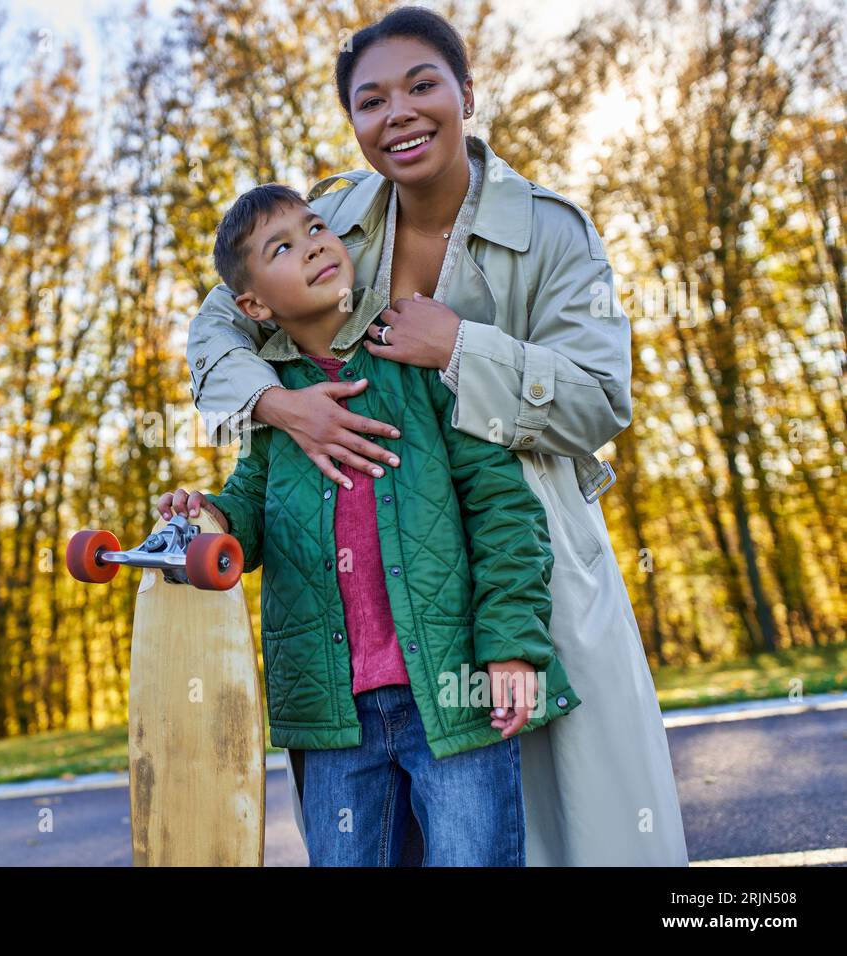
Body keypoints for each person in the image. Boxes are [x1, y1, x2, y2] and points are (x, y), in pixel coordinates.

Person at [184, 6, 690, 865]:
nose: (400, 114)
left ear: (465, 89)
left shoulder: (551, 229)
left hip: (521, 544)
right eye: (372, 101)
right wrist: (282, 407)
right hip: (375, 563)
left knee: (565, 819)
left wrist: (460, 346)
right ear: (354, 122)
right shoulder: (332, 213)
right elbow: (215, 330)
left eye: (423, 85)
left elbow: (603, 399)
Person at [157, 182, 581, 866]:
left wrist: (512, 643)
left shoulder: (417, 367)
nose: (315, 244)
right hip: (332, 715)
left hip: (453, 690)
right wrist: (202, 517)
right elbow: (247, 517)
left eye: (315, 226)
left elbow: (503, 510)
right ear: (255, 305)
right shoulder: (274, 415)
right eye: (283, 246)